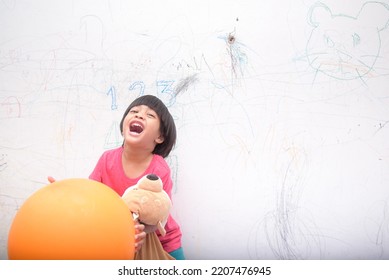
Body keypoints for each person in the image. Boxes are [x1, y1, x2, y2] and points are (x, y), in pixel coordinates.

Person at [88, 95, 185, 260]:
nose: (139, 115)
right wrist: (67, 193)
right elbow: (90, 195)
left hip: (161, 240)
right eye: (134, 111)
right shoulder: (107, 159)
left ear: (160, 137)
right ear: (123, 127)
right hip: (117, 236)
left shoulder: (159, 168)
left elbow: (158, 213)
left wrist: (139, 230)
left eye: (150, 115)